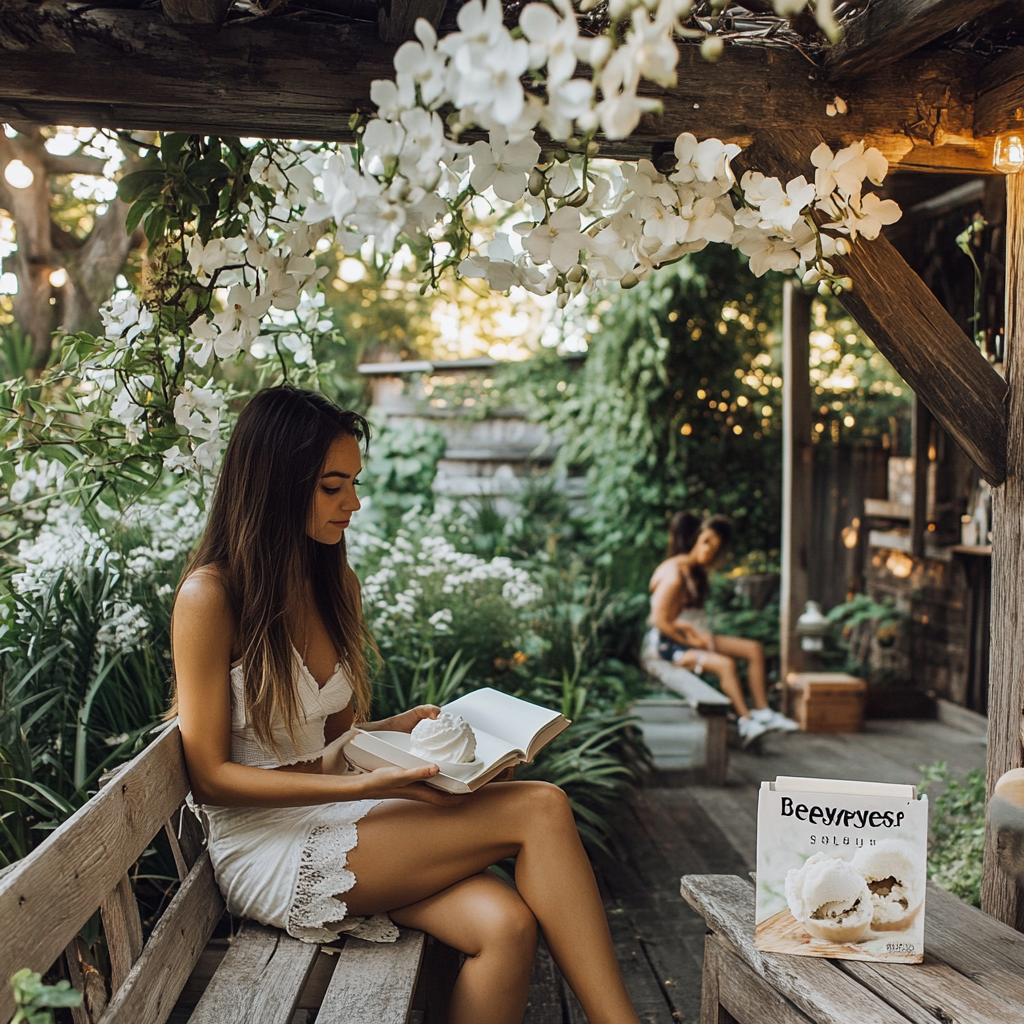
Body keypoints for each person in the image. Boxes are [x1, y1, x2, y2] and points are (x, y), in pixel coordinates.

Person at [171, 385, 643, 1024]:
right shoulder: (211, 598)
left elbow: (335, 742)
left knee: (505, 925)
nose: (354, 503)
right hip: (267, 847)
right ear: (275, 483)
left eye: (354, 483)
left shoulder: (334, 583)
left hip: (343, 818)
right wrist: (375, 785)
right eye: (332, 486)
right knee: (541, 808)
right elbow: (211, 779)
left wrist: (401, 735)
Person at [648, 512, 798, 745]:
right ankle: (745, 722)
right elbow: (659, 621)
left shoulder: (693, 570)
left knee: (754, 649)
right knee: (726, 664)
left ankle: (763, 712)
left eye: (715, 548)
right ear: (695, 538)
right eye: (706, 542)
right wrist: (693, 643)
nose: (709, 552)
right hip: (668, 645)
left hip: (692, 635)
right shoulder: (675, 574)